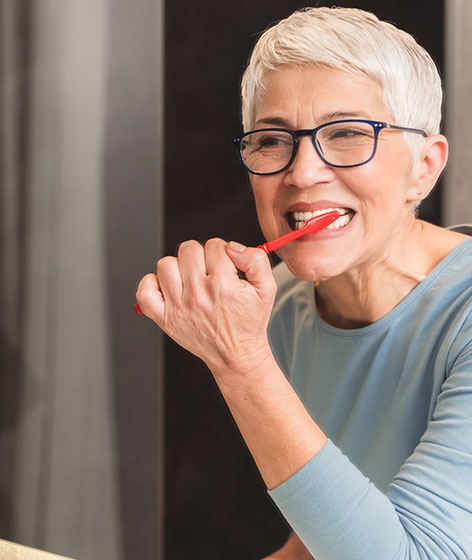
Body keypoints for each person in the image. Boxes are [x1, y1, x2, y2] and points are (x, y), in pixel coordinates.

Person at [137, 7, 472, 560]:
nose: (301, 173)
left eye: (346, 134)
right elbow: (325, 541)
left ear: (426, 168)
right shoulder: (285, 308)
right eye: (271, 140)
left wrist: (240, 363)